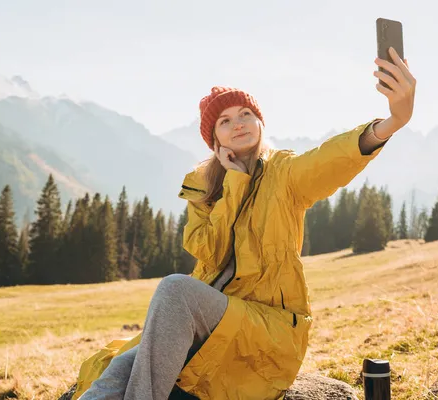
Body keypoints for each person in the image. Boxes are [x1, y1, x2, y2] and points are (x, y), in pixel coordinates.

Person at [72, 46, 416, 400]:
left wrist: (391, 123)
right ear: (214, 140)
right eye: (225, 121)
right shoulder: (203, 189)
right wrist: (234, 183)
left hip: (269, 330)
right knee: (117, 368)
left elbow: (330, 159)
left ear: (260, 122)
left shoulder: (285, 173)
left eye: (246, 113)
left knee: (174, 290)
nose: (238, 123)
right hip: (212, 321)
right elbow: (208, 252)